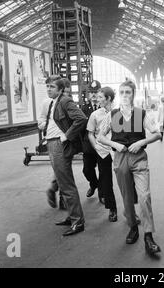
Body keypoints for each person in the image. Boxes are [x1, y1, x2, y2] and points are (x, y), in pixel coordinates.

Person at [97, 80, 162, 255]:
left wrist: (142, 141)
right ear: (119, 95)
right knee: (127, 196)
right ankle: (133, 226)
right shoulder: (113, 115)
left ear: (133, 94)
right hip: (120, 158)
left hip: (139, 158)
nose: (125, 95)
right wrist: (115, 145)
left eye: (128, 92)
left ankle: (148, 236)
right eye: (122, 92)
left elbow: (157, 134)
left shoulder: (142, 114)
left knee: (144, 196)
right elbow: (100, 136)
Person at [43, 75, 87, 236]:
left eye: (52, 87)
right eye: (47, 86)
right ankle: (72, 216)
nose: (48, 89)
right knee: (63, 184)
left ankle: (78, 222)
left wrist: (66, 136)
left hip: (59, 145)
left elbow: (81, 118)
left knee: (67, 185)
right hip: (52, 143)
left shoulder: (64, 101)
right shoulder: (54, 102)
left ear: (61, 89)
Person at [87, 87, 118, 222]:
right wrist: (96, 147)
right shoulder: (95, 115)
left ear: (108, 98)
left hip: (118, 150)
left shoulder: (120, 112)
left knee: (126, 180)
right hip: (103, 151)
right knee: (106, 180)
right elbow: (90, 133)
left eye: (100, 97)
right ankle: (112, 209)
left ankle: (131, 211)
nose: (97, 99)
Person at [81, 80, 104, 203]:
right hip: (88, 146)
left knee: (103, 171)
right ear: (88, 94)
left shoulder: (105, 108)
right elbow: (80, 127)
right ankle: (94, 184)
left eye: (96, 92)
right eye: (91, 92)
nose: (94, 95)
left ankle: (102, 193)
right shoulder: (83, 108)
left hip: (102, 144)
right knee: (87, 170)